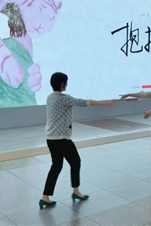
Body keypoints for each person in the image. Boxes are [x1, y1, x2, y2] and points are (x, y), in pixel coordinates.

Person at [39, 72, 117, 209]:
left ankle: (45, 197)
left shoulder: (49, 97)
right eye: (66, 82)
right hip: (62, 139)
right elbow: (84, 102)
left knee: (56, 166)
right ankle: (76, 192)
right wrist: (106, 102)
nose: (67, 85)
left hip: (51, 138)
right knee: (75, 162)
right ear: (62, 84)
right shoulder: (64, 98)